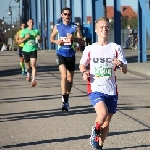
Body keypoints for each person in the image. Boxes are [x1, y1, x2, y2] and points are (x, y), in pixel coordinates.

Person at [79, 17, 127, 150]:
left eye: (106, 27)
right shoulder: (90, 49)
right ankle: (95, 131)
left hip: (111, 89)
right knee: (102, 114)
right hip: (95, 87)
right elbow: (82, 64)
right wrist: (84, 72)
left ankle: (100, 144)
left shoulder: (115, 48)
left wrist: (121, 64)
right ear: (96, 30)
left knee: (106, 122)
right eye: (101, 27)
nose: (104, 29)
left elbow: (125, 70)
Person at [50, 7, 85, 111]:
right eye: (65, 14)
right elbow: (51, 38)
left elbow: (82, 42)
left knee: (70, 78)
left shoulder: (75, 27)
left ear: (71, 15)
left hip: (71, 54)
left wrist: (74, 38)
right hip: (61, 53)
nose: (67, 16)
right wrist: (57, 42)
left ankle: (66, 98)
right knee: (64, 76)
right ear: (62, 15)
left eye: (69, 14)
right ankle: (64, 102)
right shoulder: (58, 26)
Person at [18, 18, 41, 87]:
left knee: (33, 65)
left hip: (33, 50)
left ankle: (33, 80)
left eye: (32, 22)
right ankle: (28, 74)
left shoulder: (36, 31)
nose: (31, 24)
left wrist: (39, 39)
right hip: (25, 50)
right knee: (28, 67)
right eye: (30, 22)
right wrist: (25, 38)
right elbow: (19, 41)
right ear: (27, 23)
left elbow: (40, 38)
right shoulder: (24, 31)